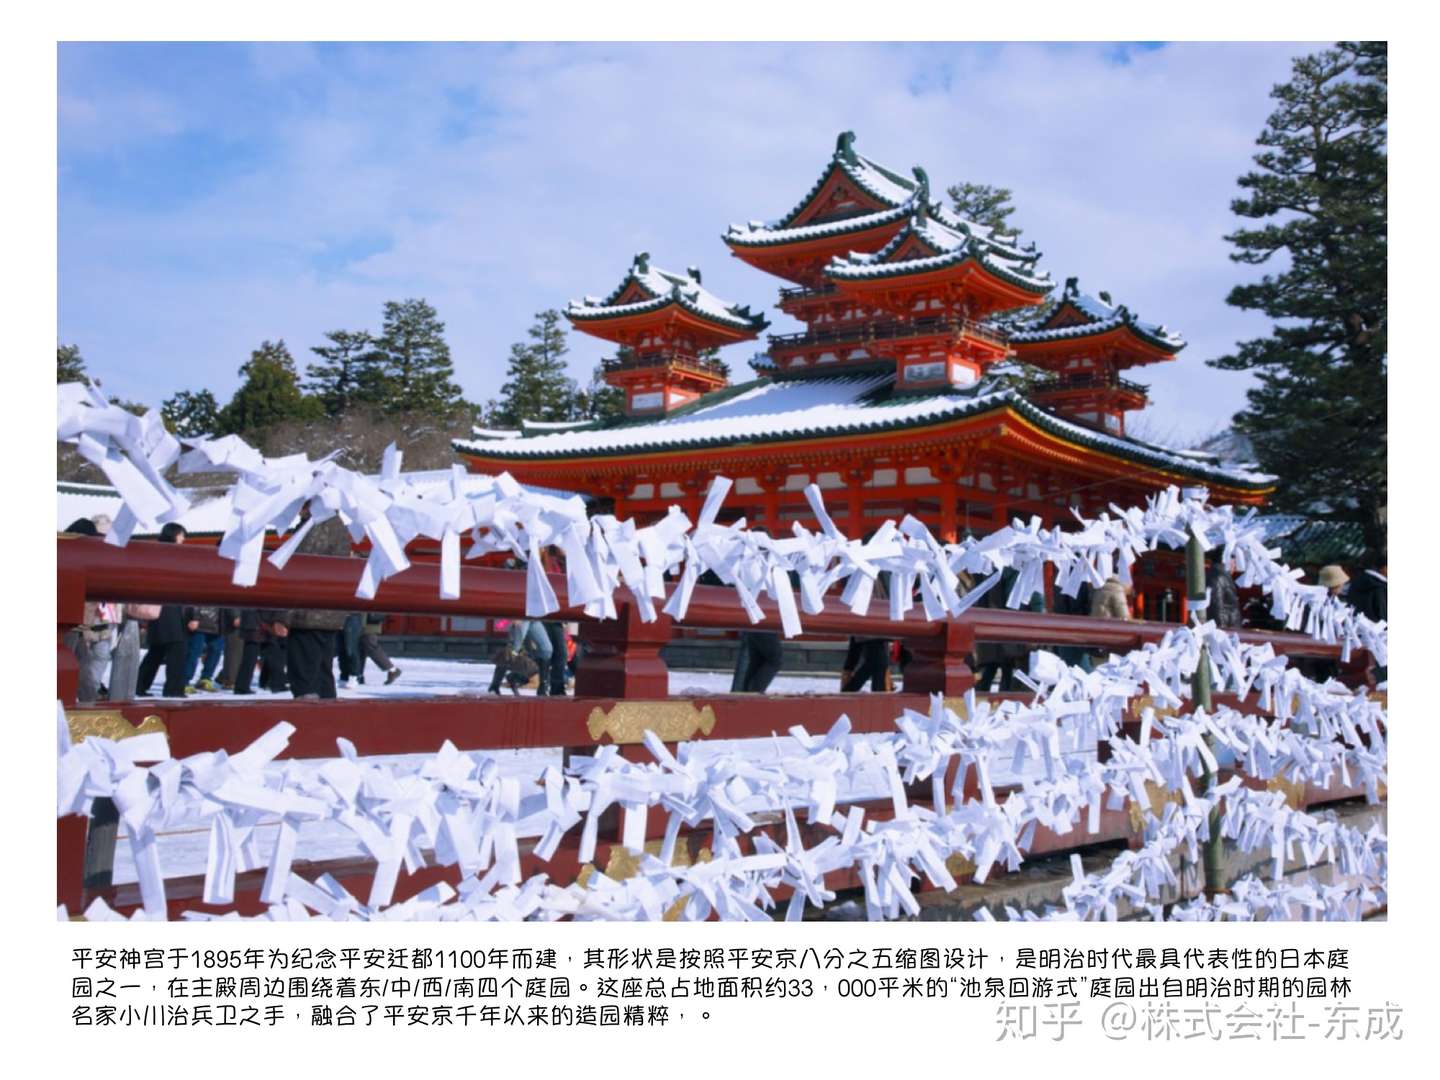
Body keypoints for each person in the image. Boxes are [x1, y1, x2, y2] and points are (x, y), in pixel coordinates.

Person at [270, 516, 352, 700]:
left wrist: (282, 615)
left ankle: (310, 724)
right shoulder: (336, 525)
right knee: (323, 676)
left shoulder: (316, 524)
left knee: (305, 679)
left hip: (307, 613)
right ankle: (329, 723)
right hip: (327, 612)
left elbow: (300, 570)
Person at [135, 523, 192, 697]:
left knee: (157, 650)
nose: (183, 539)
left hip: (162, 608)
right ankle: (173, 689)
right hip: (169, 608)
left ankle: (139, 685)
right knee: (177, 648)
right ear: (174, 534)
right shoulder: (171, 553)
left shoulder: (155, 552)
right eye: (181, 535)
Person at [975, 567, 1045, 692]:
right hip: (1013, 627)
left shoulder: (991, 571)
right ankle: (1006, 695)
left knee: (998, 666)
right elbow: (1033, 600)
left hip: (995, 626)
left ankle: (990, 693)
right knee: (1010, 667)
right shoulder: (1017, 571)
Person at [488, 619, 552, 694]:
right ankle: (495, 686)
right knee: (513, 651)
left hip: (534, 618)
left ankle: (542, 688)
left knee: (546, 649)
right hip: (522, 617)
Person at [182, 605, 224, 691]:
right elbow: (194, 599)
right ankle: (184, 681)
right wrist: (194, 617)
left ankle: (205, 679)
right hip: (200, 623)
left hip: (217, 624)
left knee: (216, 651)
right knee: (194, 652)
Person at [358, 612, 402, 686]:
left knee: (370, 644)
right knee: (361, 647)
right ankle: (358, 675)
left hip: (369, 621)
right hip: (366, 620)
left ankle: (392, 669)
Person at [1205, 551, 1243, 629]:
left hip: (1229, 626)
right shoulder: (1218, 577)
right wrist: (1222, 630)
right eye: (1234, 561)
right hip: (1227, 628)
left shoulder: (1221, 576)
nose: (1235, 565)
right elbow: (1216, 606)